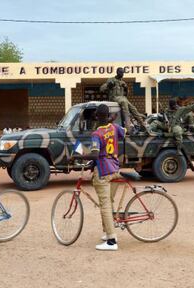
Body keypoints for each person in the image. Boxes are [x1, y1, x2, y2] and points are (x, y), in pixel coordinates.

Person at [72, 104, 126, 251]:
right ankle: (109, 232)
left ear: (96, 116)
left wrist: (80, 155)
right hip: (115, 169)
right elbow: (126, 131)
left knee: (105, 206)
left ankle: (111, 241)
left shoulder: (97, 134)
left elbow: (95, 154)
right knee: (109, 202)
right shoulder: (114, 127)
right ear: (108, 115)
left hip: (103, 172)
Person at [100, 67, 146, 132]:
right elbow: (101, 89)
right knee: (124, 102)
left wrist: (126, 88)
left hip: (122, 98)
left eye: (123, 73)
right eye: (121, 72)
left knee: (133, 108)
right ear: (117, 72)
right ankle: (128, 127)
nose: (122, 74)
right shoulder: (111, 80)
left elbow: (127, 94)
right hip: (114, 98)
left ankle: (143, 124)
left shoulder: (123, 82)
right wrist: (109, 85)